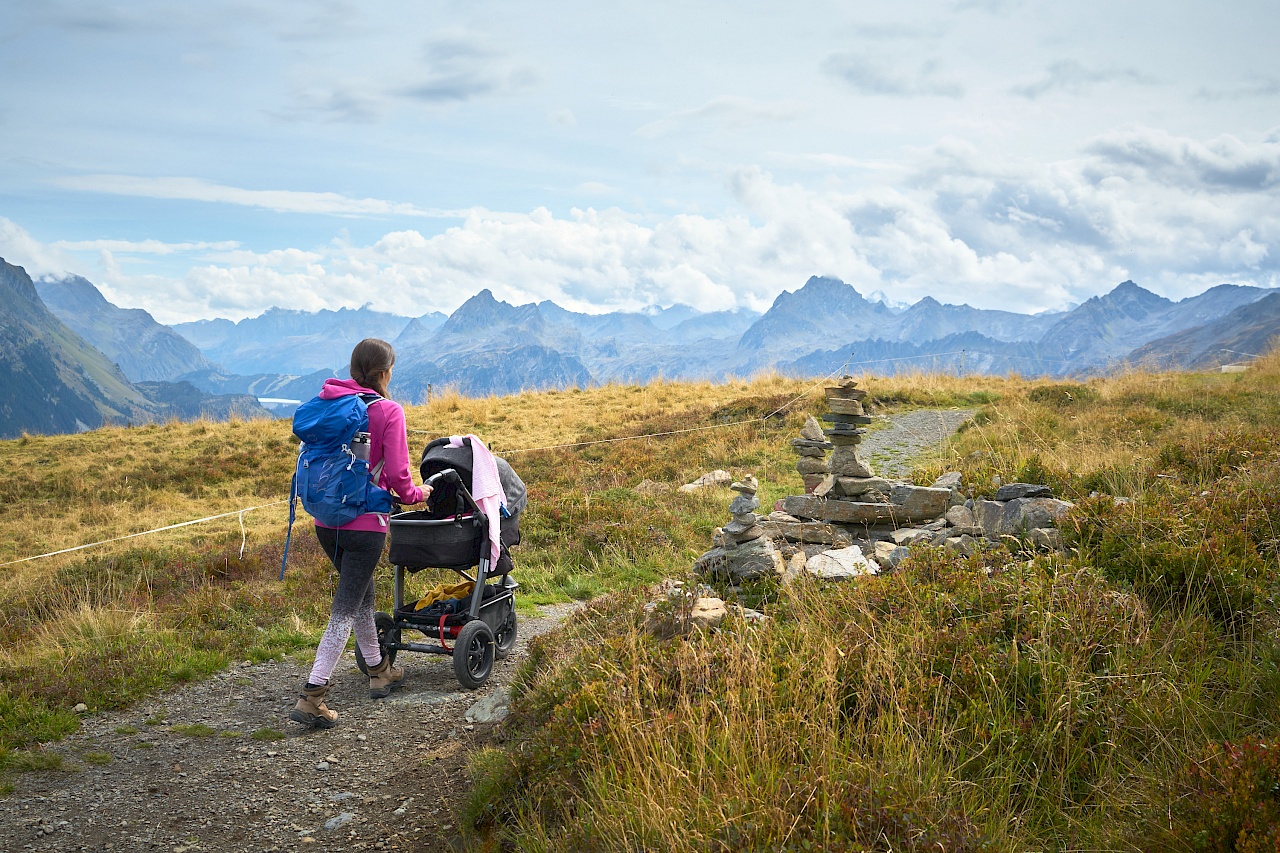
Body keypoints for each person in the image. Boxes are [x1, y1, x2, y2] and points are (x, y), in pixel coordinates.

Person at [290, 338, 431, 729]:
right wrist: (419, 494)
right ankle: (313, 695)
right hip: (367, 523)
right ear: (384, 373)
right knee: (345, 607)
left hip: (324, 520)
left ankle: (378, 669)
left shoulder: (330, 403)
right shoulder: (388, 411)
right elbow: (401, 478)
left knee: (362, 594)